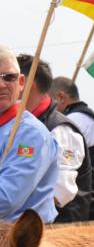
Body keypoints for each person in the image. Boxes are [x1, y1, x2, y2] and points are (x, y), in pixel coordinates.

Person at [17, 55, 92, 223]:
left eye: (9, 78)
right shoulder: (18, 125)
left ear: (27, 84)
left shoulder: (61, 129)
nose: (3, 85)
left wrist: (15, 213)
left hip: (55, 233)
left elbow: (61, 191)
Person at [0, 45, 58, 223]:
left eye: (9, 77)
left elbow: (6, 199)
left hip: (20, 244)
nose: (1, 84)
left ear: (21, 82)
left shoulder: (31, 135)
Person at [51, 76, 94, 219]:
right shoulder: (75, 118)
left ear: (61, 97)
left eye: (49, 99)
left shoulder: (76, 121)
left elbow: (65, 162)